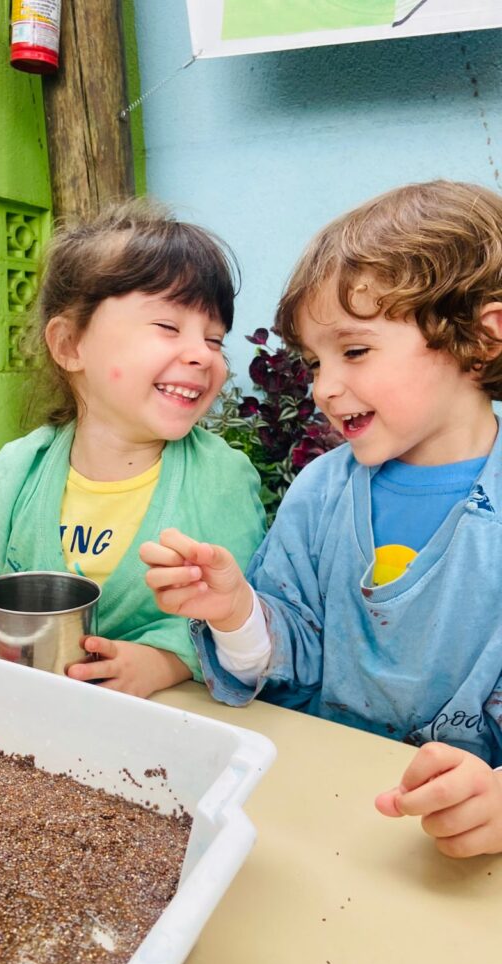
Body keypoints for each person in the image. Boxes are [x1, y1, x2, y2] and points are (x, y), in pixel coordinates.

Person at [140, 180, 502, 856]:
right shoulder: (318, 491)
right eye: (313, 361)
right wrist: (236, 611)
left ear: (481, 339)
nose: (324, 386)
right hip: (314, 819)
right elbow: (291, 653)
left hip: (454, 857)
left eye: (355, 351)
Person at [0, 199, 265, 697]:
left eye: (215, 340)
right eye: (168, 327)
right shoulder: (19, 469)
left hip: (164, 728)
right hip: (23, 715)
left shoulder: (221, 480)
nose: (200, 355)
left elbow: (246, 620)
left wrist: (165, 662)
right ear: (69, 345)